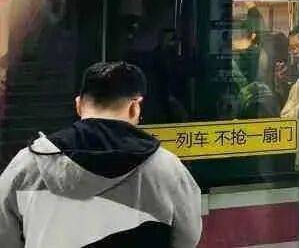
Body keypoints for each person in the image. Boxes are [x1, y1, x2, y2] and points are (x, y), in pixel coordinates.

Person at [0, 61, 202, 248]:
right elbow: (187, 238)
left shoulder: (28, 164)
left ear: (78, 105)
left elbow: (4, 236)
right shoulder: (167, 169)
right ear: (134, 107)